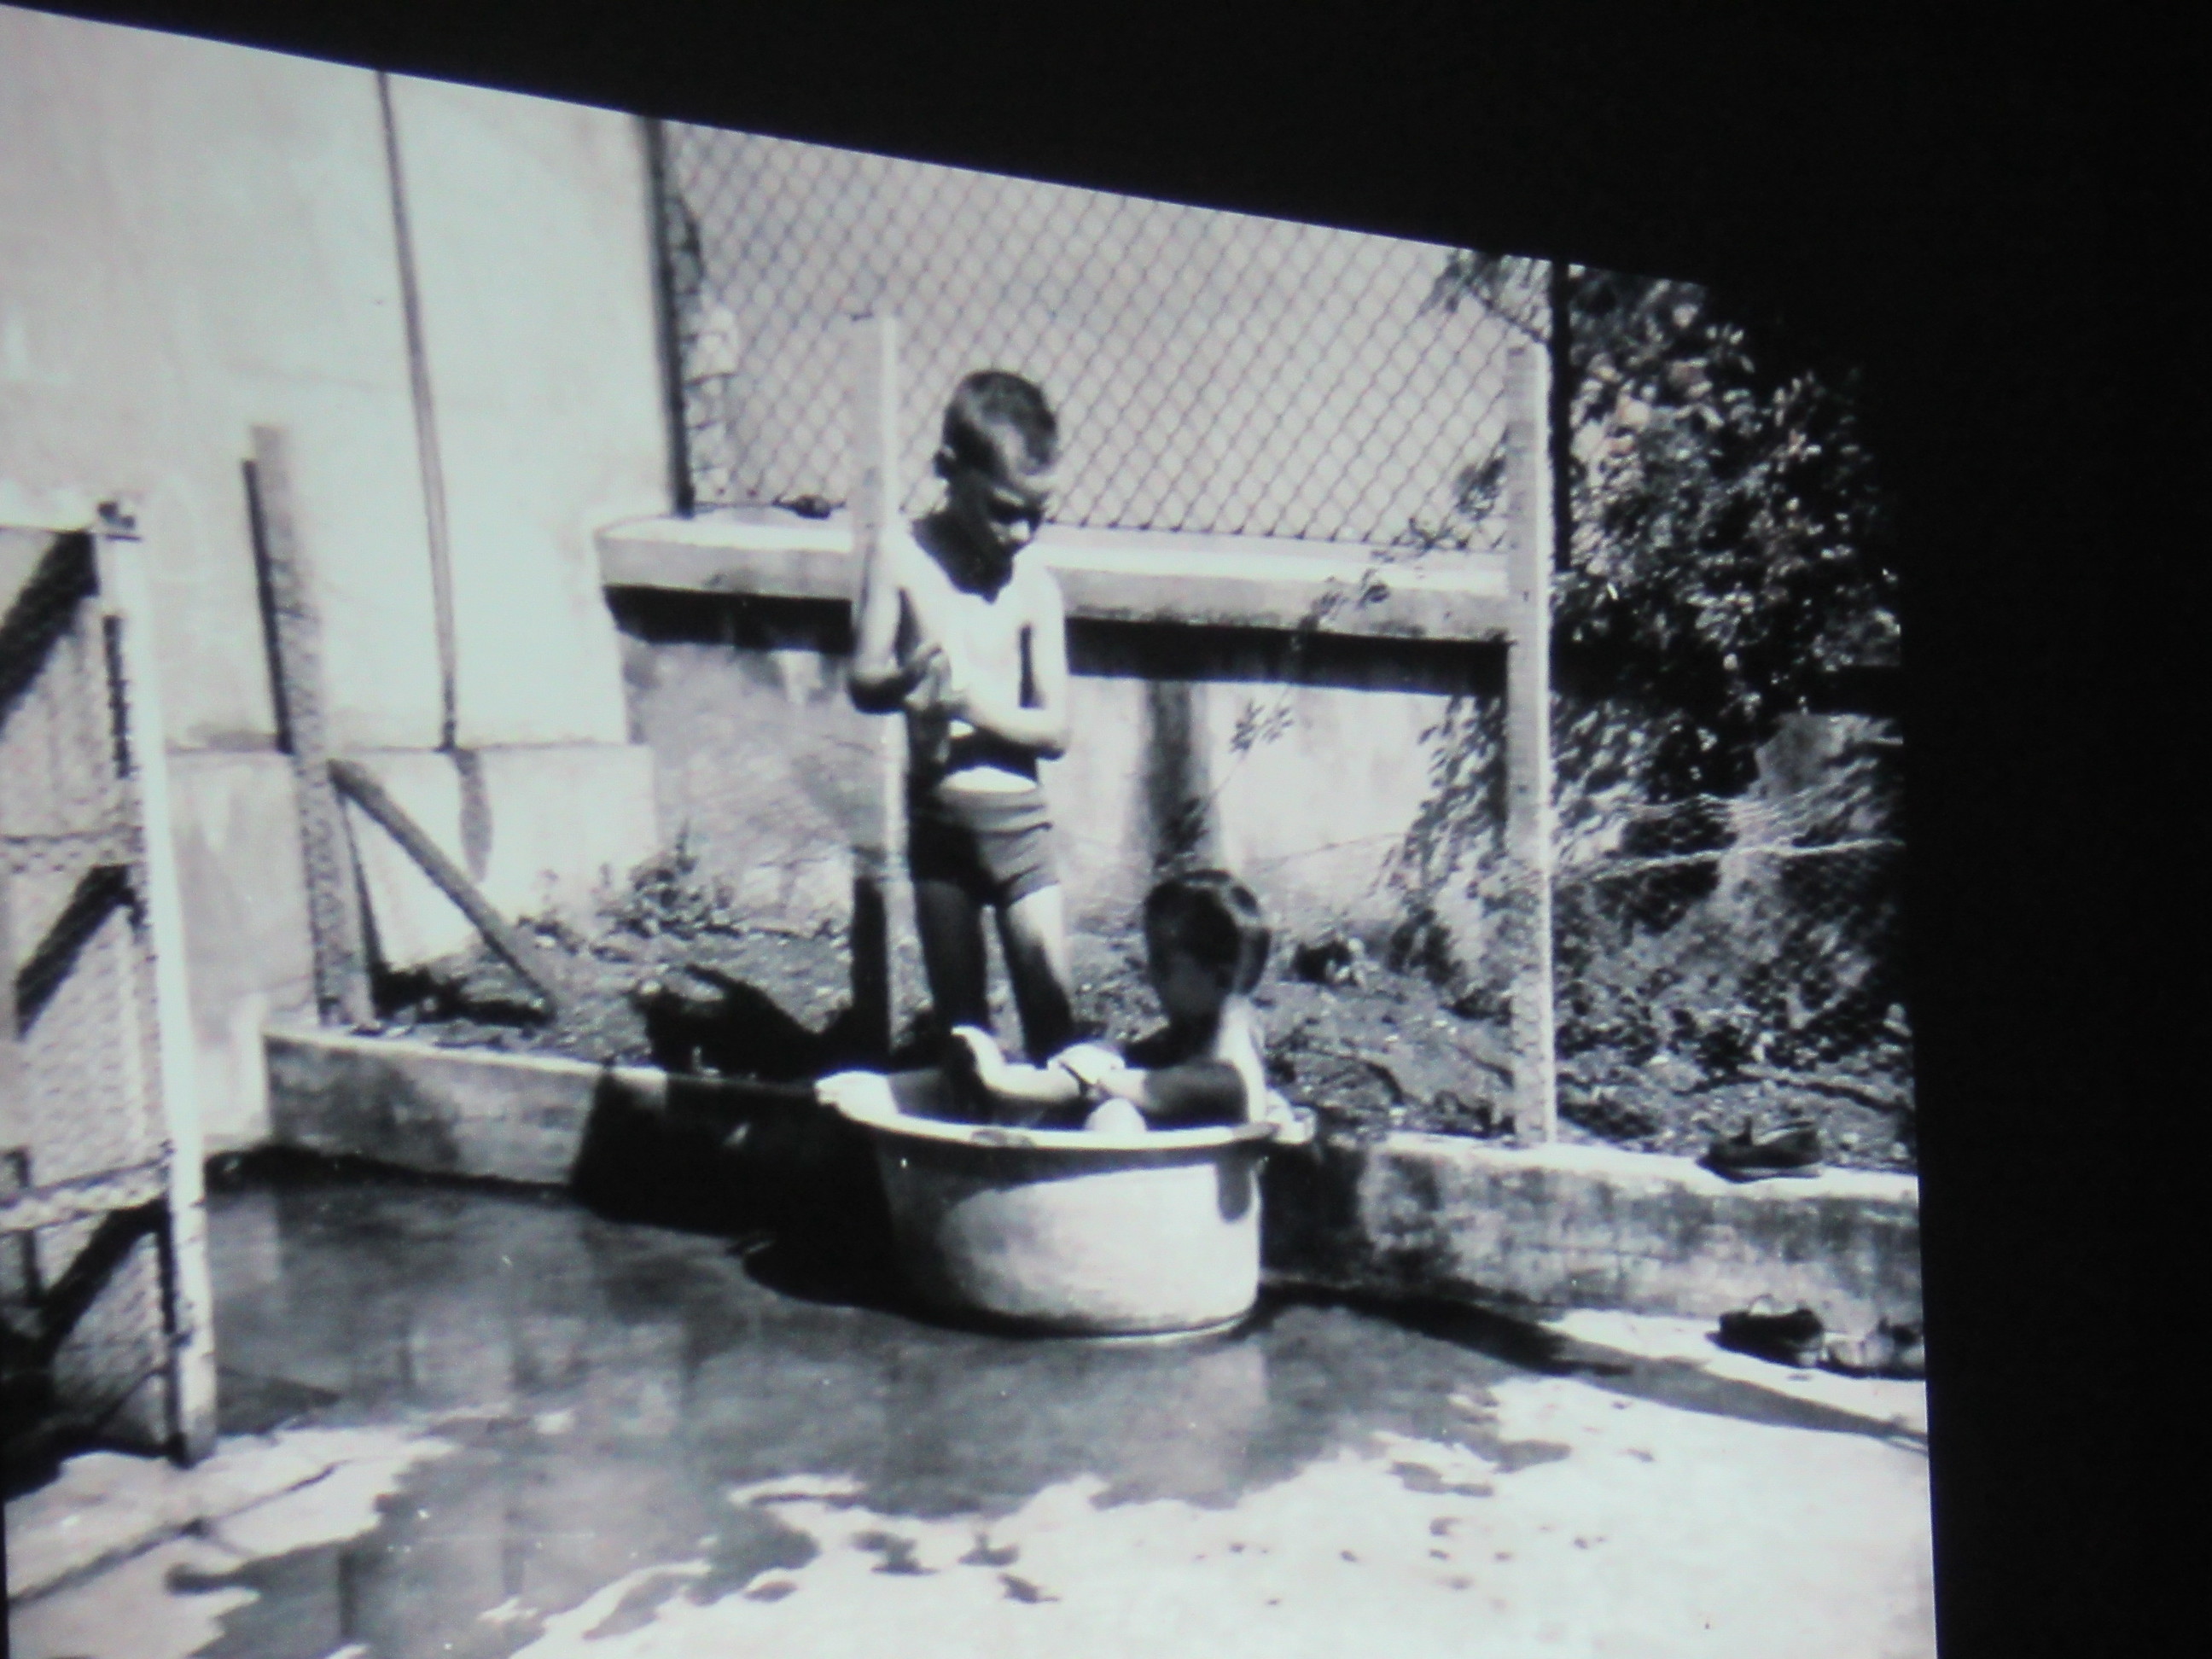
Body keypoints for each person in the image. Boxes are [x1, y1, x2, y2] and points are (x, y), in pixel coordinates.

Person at [847, 370, 1074, 1064]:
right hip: (938, 826)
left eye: (1038, 514)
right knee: (963, 1034)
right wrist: (905, 679)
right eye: (1004, 510)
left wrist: (972, 704)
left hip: (1018, 829)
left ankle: (1063, 1125)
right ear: (948, 470)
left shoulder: (1035, 587)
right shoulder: (900, 557)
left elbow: (1056, 730)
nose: (1020, 533)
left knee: (1053, 1018)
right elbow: (863, 678)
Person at [945, 870, 1288, 1135]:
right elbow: (1142, 1056)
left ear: (1221, 978)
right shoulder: (1217, 1027)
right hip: (1180, 1180)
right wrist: (1104, 1056)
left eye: (1163, 964)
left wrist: (1000, 1079)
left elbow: (1101, 1085)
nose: (1151, 975)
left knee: (1114, 1116)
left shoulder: (1225, 1079)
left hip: (1182, 1195)